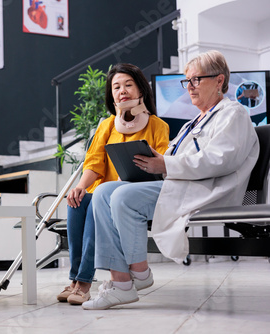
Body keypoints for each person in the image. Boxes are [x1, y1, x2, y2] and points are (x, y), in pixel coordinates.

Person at [83, 50, 259, 310]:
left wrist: (165, 163)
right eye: (186, 81)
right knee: (103, 192)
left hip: (207, 190)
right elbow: (173, 156)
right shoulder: (193, 122)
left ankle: (138, 276)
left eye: (196, 80)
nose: (189, 87)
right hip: (183, 184)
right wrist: (153, 162)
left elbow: (220, 160)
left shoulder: (233, 114)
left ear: (220, 81)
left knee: (122, 196)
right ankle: (121, 283)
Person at [57, 63, 170, 305]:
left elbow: (161, 165)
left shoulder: (158, 126)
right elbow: (94, 162)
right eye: (116, 87)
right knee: (77, 202)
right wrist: (80, 187)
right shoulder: (106, 125)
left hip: (132, 195)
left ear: (141, 89)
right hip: (104, 191)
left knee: (97, 205)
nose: (122, 91)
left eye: (128, 84)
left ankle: (84, 282)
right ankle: (75, 278)